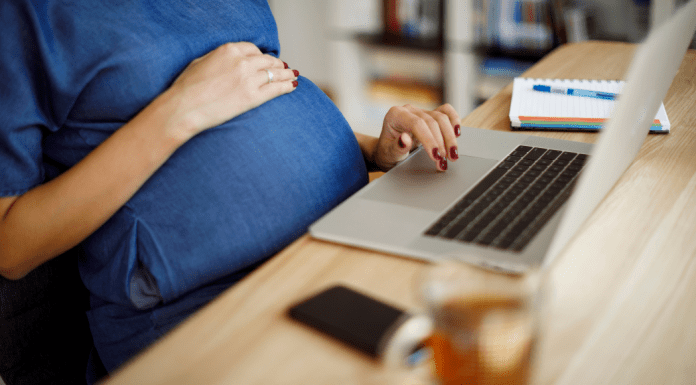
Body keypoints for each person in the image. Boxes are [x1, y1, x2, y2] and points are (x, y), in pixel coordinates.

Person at [0, 0, 461, 378]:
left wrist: (373, 151)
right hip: (212, 303)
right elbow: (11, 244)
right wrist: (179, 110)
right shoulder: (23, 17)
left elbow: (257, 96)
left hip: (339, 236)